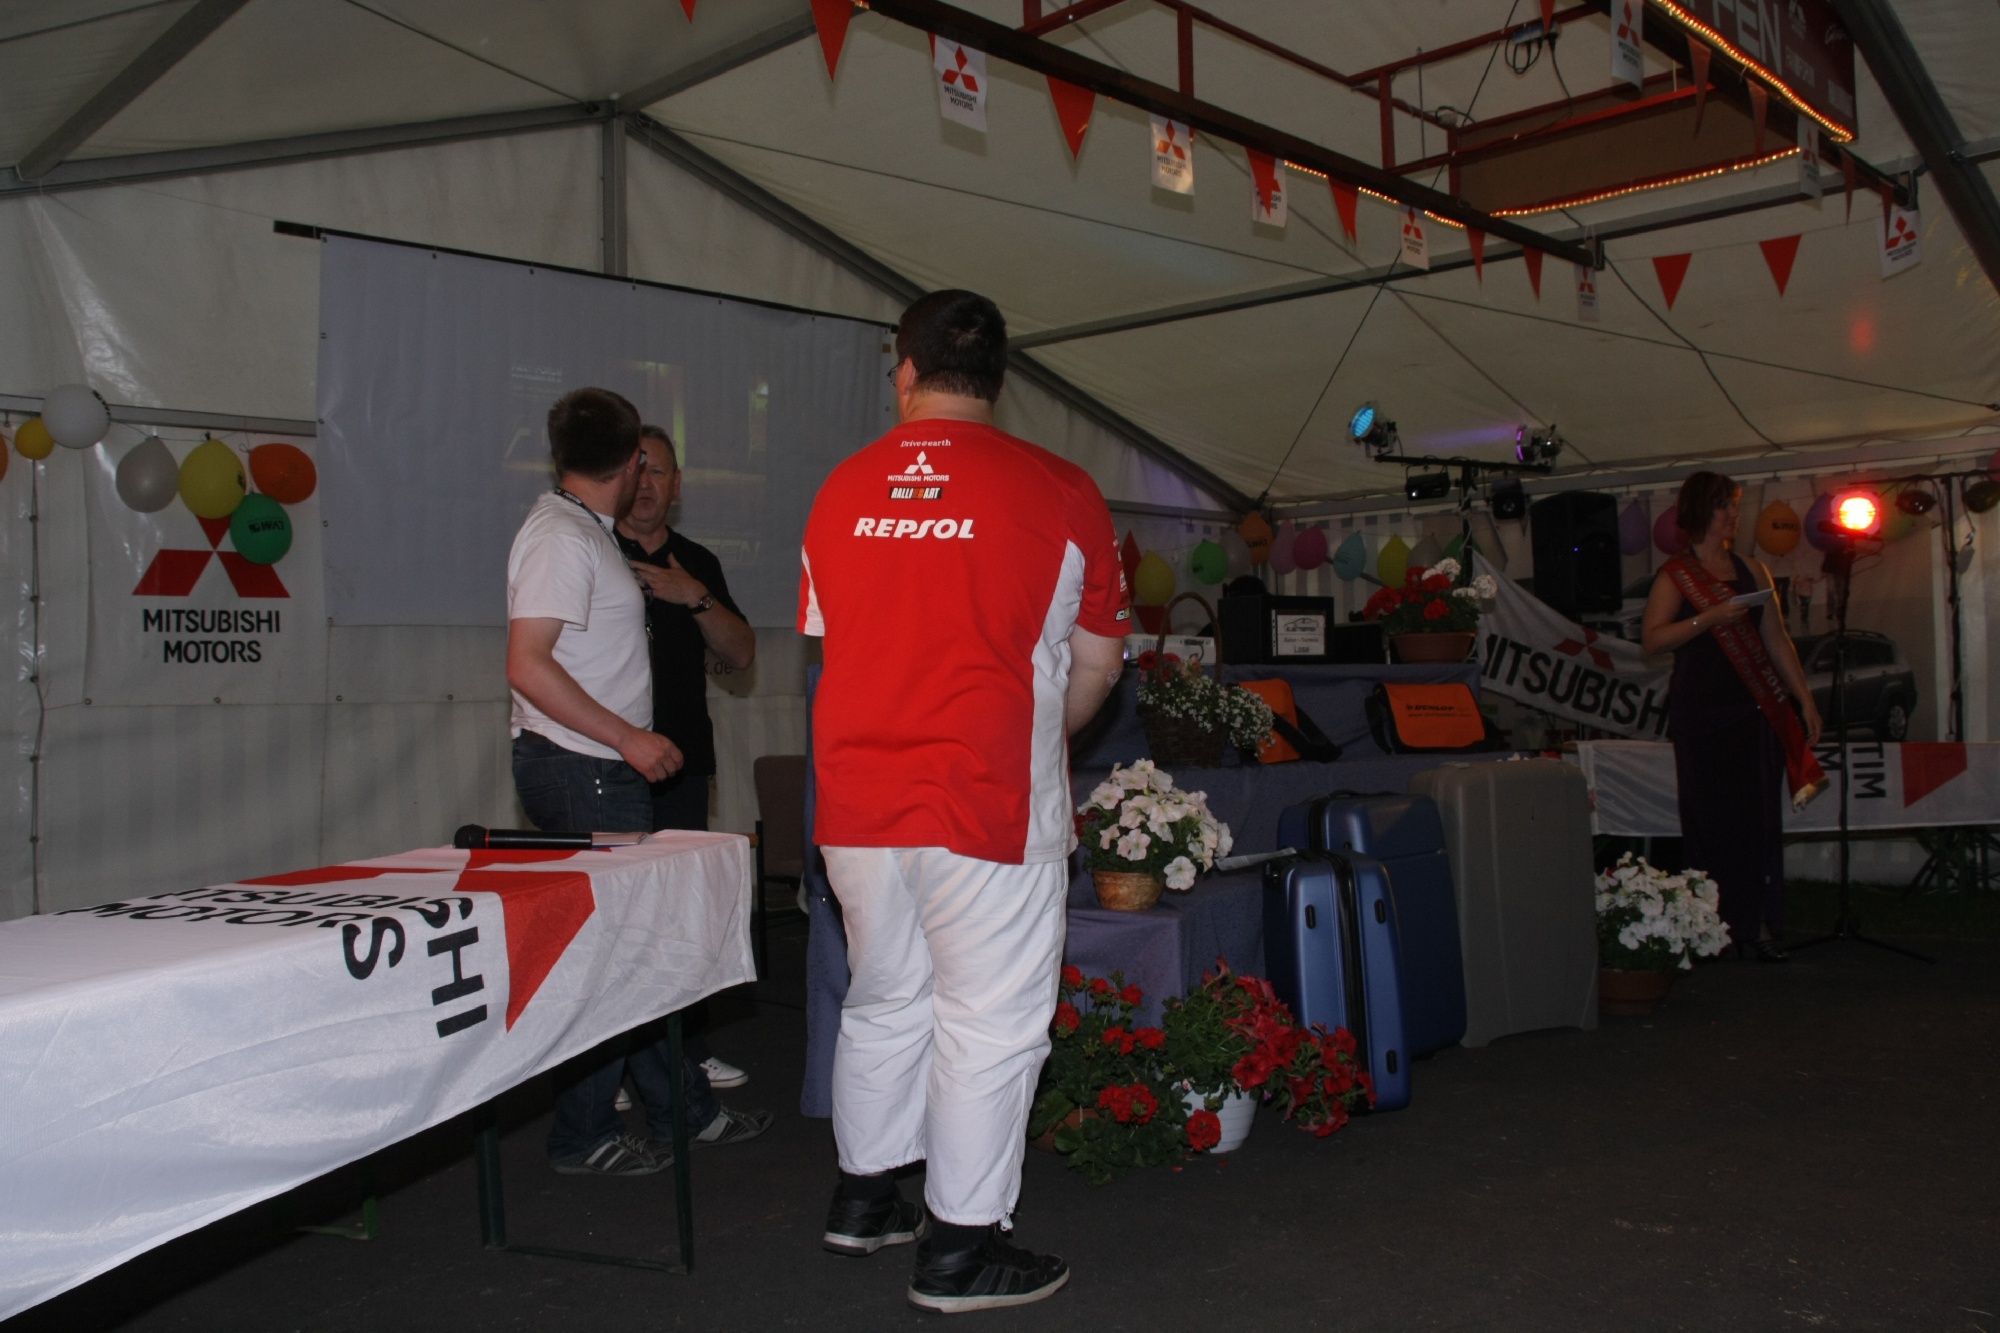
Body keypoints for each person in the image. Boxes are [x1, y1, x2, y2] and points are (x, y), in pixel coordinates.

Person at [799, 290, 1129, 1313]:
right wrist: (1046, 740)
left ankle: (865, 1197)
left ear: (903, 372)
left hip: (858, 799)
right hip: (988, 797)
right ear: (997, 379)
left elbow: (834, 644)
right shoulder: (1061, 488)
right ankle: (959, 1249)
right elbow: (1099, 663)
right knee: (990, 1021)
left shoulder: (839, 488)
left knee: (883, 994)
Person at [506, 387, 769, 1176]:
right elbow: (527, 663)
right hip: (588, 767)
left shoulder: (580, 530)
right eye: (641, 464)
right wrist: (626, 737)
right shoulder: (563, 535)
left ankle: (680, 1110)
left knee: (639, 949)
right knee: (618, 955)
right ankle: (587, 1132)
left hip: (604, 765)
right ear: (627, 463)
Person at [614, 424, 757, 1094]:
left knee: (682, 914)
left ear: (677, 484)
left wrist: (691, 595)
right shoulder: (592, 547)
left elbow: (742, 652)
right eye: (636, 469)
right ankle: (608, 1068)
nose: (646, 484)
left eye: (659, 471)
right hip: (607, 762)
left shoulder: (696, 560)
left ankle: (686, 1054)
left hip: (683, 761)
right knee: (618, 915)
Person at [1642, 471, 1824, 963]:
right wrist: (1708, 619)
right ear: (1703, 510)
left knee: (1758, 820)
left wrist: (1804, 699)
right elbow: (1652, 639)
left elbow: (1776, 640)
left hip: (1753, 709)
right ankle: (1709, 927)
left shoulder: (1754, 570)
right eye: (1725, 505)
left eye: (1735, 505)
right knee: (1708, 820)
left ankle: (1758, 922)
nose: (1733, 515)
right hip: (1702, 714)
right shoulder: (1676, 575)